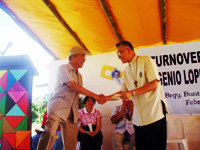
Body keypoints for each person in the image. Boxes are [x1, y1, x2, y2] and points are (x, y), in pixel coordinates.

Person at [104, 41, 169, 150]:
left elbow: (154, 84)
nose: (118, 56)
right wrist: (105, 98)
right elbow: (122, 93)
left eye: (120, 52)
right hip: (138, 120)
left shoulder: (146, 60)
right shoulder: (126, 71)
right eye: (117, 54)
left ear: (129, 50)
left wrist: (132, 92)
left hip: (153, 114)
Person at [37, 47, 105, 150]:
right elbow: (73, 86)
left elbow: (77, 92)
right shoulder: (63, 68)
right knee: (50, 134)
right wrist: (96, 96)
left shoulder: (80, 76)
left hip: (72, 112)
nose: (84, 59)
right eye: (82, 56)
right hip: (58, 107)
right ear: (73, 57)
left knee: (71, 143)